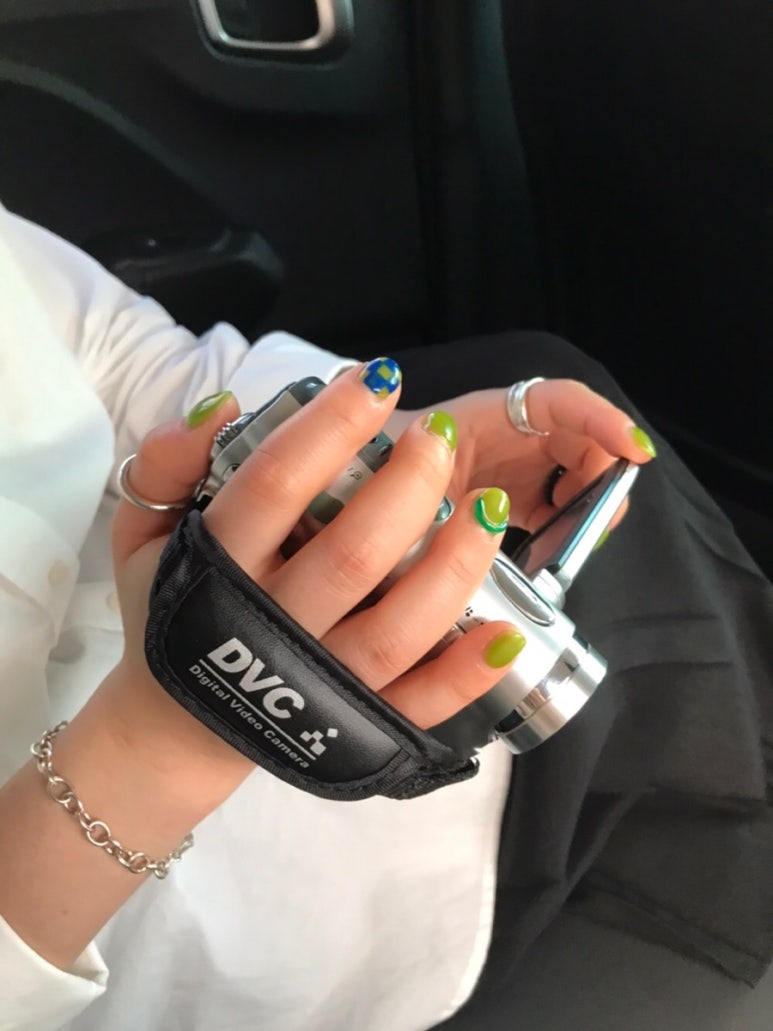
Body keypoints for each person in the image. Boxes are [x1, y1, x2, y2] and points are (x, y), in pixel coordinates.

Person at [0, 200, 770, 1031]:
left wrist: (354, 457)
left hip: (472, 653)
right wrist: (162, 741)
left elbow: (116, 353)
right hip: (280, 924)